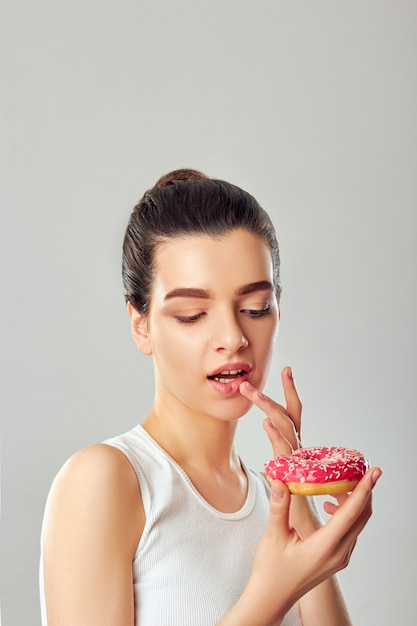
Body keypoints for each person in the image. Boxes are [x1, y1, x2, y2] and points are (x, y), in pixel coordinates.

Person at [40, 168, 381, 625]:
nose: (233, 337)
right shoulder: (105, 481)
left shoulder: (270, 500)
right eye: (192, 314)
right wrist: (271, 594)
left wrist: (299, 497)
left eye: (255, 309)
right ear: (141, 325)